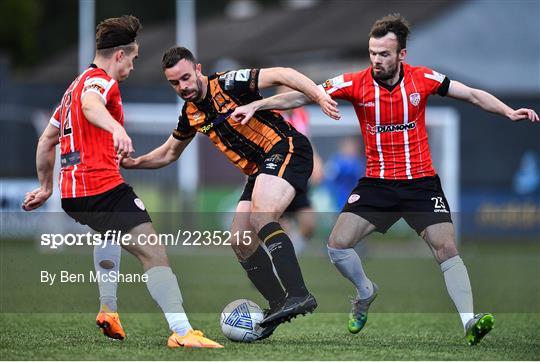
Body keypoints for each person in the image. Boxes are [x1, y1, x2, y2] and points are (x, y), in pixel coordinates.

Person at [230, 13, 539, 345]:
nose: (376, 60)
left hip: (421, 184)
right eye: (373, 53)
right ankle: (365, 291)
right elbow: (302, 95)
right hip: (377, 185)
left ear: (401, 54)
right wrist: (259, 105)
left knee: (446, 247)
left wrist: (508, 111)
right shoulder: (354, 83)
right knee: (336, 245)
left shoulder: (424, 79)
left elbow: (473, 95)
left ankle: (469, 321)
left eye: (384, 54)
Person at [22, 16, 222, 349]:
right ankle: (183, 332)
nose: (133, 64)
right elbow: (91, 105)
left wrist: (46, 187)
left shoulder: (73, 87)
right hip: (101, 187)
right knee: (155, 253)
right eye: (133, 57)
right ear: (119, 55)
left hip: (74, 196)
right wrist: (116, 128)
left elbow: (46, 140)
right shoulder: (101, 83)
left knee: (109, 234)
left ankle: (109, 310)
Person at [121, 46, 339, 338]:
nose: (183, 86)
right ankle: (277, 304)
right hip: (258, 168)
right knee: (240, 239)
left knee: (263, 217)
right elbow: (169, 153)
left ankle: (299, 294)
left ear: (198, 70)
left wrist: (319, 95)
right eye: (175, 83)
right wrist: (135, 163)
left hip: (285, 147)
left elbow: (283, 74)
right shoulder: (190, 114)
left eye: (186, 77)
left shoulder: (227, 82)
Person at [276, 85, 324, 255]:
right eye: (285, 94)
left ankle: (287, 259)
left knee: (309, 224)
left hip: (299, 179)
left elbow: (307, 141)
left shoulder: (301, 114)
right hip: (278, 179)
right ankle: (275, 267)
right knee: (280, 228)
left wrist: (316, 161)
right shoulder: (273, 116)